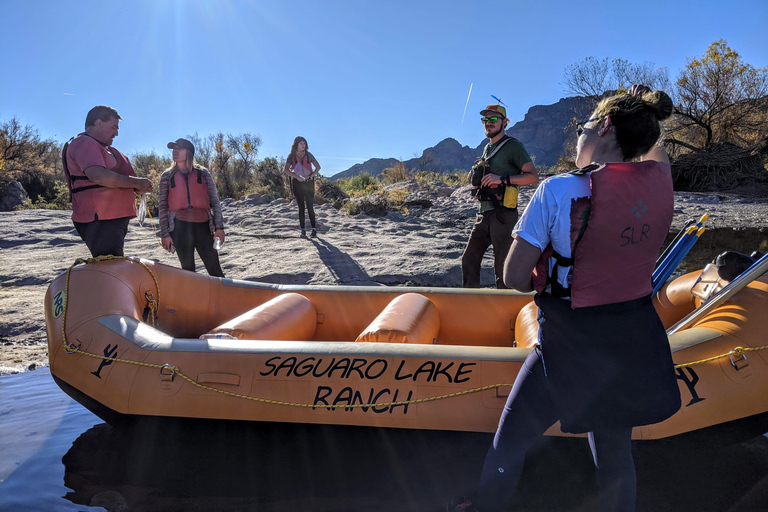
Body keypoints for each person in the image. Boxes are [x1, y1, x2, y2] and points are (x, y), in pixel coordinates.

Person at [454, 86, 682, 512]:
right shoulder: (661, 182)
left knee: (511, 442)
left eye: (584, 127)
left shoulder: (558, 191)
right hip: (631, 339)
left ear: (605, 127)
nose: (579, 136)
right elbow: (653, 151)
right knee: (615, 454)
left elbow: (515, 277)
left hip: (568, 343)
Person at [462, 103, 539, 288]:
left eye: (493, 119)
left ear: (504, 122)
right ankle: (468, 305)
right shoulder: (487, 149)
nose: (488, 123)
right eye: (485, 120)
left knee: (502, 268)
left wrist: (501, 179)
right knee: (469, 259)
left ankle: (505, 312)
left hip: (503, 216)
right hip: (483, 214)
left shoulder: (513, 146)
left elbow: (533, 177)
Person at [62, 105, 152, 257]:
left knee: (112, 265)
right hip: (100, 220)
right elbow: (99, 176)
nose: (117, 133)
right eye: (113, 127)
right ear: (98, 123)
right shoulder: (84, 143)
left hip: (110, 219)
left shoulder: (103, 147)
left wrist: (138, 186)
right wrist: (136, 183)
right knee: (110, 267)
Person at [158, 138, 226, 277]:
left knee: (215, 269)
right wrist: (165, 234)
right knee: (188, 271)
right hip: (180, 228)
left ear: (188, 153)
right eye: (174, 149)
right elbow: (163, 206)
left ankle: (224, 297)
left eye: (179, 149)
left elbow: (215, 202)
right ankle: (193, 298)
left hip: (203, 228)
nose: (175, 152)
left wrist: (219, 228)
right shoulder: (167, 176)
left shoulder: (203, 173)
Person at [284, 136, 321, 237]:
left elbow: (318, 167)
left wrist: (311, 175)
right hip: (297, 183)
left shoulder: (309, 155)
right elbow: (286, 170)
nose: (303, 145)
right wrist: (296, 177)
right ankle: (302, 230)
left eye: (304, 143)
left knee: (310, 206)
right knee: (301, 207)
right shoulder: (291, 156)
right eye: (301, 143)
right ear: (296, 144)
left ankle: (313, 229)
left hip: (308, 183)